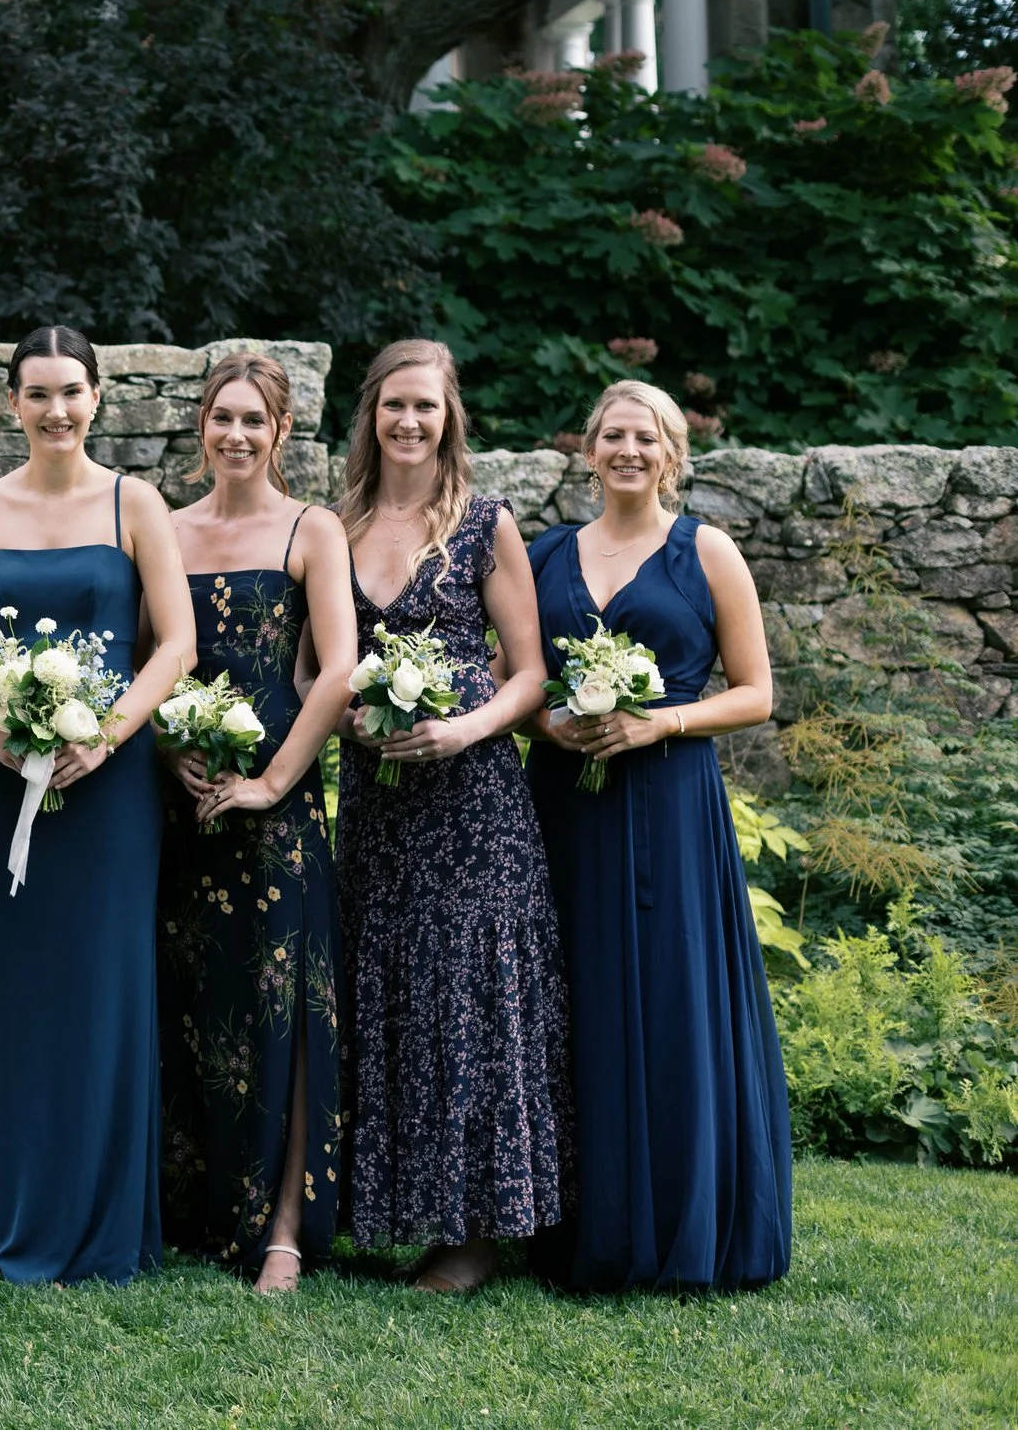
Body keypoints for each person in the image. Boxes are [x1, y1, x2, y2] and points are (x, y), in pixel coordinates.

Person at [526, 381, 793, 1293]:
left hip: (672, 807)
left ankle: (682, 1220)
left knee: (672, 995)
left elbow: (756, 692)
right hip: (566, 805)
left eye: (646, 436)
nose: (628, 449)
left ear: (673, 453)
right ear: (589, 450)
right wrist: (548, 724)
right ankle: (574, 1221)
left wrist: (660, 723)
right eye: (612, 435)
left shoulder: (706, 551)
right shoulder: (543, 554)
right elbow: (514, 680)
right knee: (574, 995)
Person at [0, 325, 195, 1287]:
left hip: (111, 782)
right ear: (12, 404)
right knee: (18, 986)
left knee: (106, 986)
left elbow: (172, 644)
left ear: (100, 398)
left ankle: (104, 1227)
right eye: (38, 393)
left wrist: (111, 732)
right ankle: (16, 1212)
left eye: (72, 391)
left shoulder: (138, 504)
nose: (57, 410)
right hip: (4, 773)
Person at [332, 339, 571, 1293]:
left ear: (449, 417)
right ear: (371, 414)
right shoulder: (336, 522)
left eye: (425, 407)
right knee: (387, 986)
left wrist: (465, 730)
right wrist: (344, 708)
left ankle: (478, 1231)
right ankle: (390, 1209)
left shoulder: (482, 523)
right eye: (394, 405)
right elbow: (316, 662)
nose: (409, 422)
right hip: (377, 800)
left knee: (470, 994)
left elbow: (531, 671)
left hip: (473, 806)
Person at [158, 350, 358, 1293]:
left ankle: (282, 1224)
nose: (235, 435)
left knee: (285, 1002)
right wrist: (168, 750)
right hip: (183, 801)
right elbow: (150, 657)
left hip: (276, 806)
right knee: (194, 998)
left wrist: (275, 782)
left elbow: (339, 670)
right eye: (221, 417)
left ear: (282, 432)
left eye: (254, 420)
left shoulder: (311, 529)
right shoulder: (164, 526)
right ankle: (197, 1203)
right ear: (201, 424)